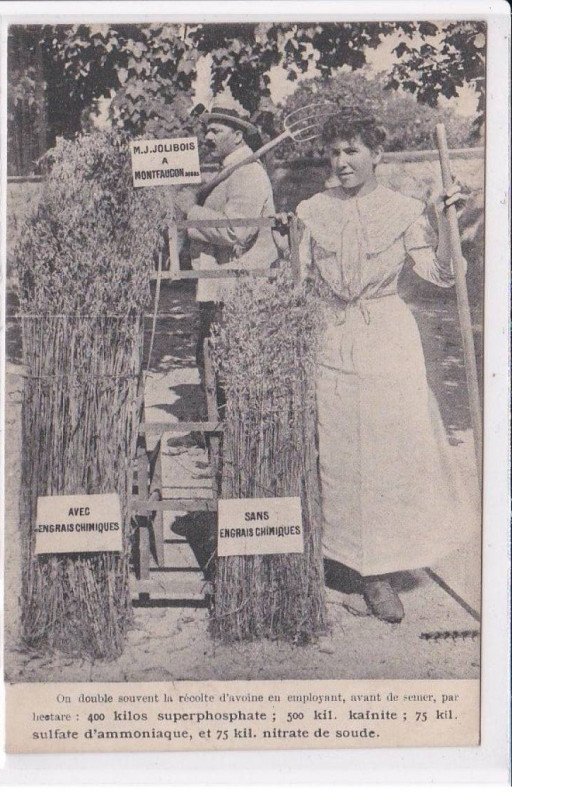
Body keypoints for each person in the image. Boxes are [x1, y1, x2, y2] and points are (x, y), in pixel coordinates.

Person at [294, 109, 480, 623]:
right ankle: (339, 559)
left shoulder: (402, 211)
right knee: (334, 448)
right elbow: (295, 287)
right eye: (334, 151)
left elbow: (442, 274)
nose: (342, 160)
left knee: (386, 452)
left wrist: (449, 225)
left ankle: (380, 572)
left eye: (352, 150)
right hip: (331, 336)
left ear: (377, 154)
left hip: (389, 341)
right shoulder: (311, 212)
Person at [173, 102, 278, 370]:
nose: (207, 137)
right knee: (211, 362)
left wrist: (192, 210)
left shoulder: (248, 173)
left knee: (229, 368)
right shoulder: (228, 171)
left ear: (238, 136)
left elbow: (236, 230)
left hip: (239, 288)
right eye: (206, 131)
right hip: (220, 286)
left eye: (215, 131)